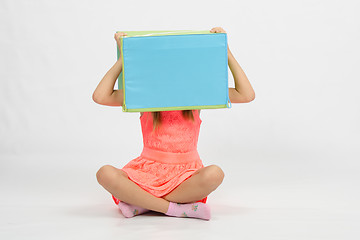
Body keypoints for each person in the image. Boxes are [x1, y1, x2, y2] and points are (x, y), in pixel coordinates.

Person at [92, 27, 255, 221]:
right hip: (146, 172)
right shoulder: (146, 96)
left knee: (215, 174)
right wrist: (123, 58)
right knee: (105, 174)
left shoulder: (196, 95)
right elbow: (100, 96)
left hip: (185, 175)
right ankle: (175, 209)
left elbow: (246, 94)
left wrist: (225, 52)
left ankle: (141, 203)